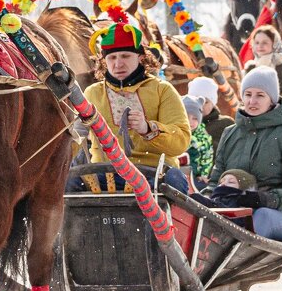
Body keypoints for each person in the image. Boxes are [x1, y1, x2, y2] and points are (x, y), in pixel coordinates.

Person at [70, 23, 192, 193]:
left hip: (154, 174)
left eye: (125, 56)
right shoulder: (93, 93)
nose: (118, 64)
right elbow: (76, 137)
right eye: (112, 58)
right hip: (103, 174)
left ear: (141, 57)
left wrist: (148, 128)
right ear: (104, 61)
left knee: (174, 181)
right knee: (66, 181)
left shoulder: (162, 90)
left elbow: (181, 142)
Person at [206, 66, 282, 242]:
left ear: (272, 100)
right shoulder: (230, 133)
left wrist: (267, 199)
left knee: (260, 218)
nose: (252, 101)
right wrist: (207, 198)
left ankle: (236, 253)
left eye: (260, 95)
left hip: (278, 212)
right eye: (248, 94)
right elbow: (216, 179)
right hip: (232, 206)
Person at [247, 24, 282, 118]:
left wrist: (273, 119)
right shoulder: (250, 68)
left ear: (274, 43)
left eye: (265, 42)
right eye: (257, 43)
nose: (260, 46)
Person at [189, 76, 234, 147]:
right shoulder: (184, 123)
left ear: (213, 103)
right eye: (195, 101)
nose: (200, 106)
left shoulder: (225, 124)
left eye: (205, 102)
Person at [183, 95, 213, 188]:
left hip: (195, 175)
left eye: (195, 118)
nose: (190, 122)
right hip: (178, 171)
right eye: (186, 117)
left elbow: (207, 157)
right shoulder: (176, 133)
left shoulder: (203, 137)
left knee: (201, 186)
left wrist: (203, 174)